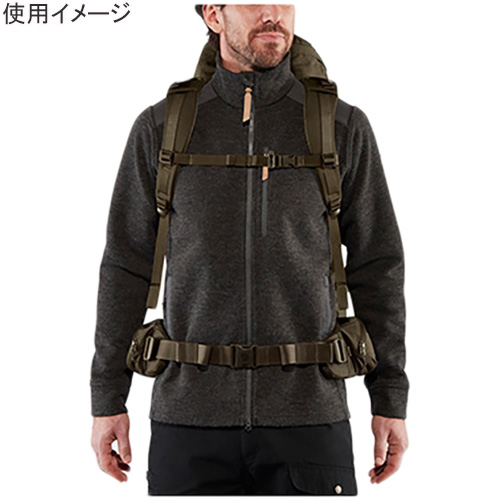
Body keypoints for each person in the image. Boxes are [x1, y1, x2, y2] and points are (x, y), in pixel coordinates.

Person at [90, 4, 410, 495]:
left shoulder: (341, 127)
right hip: (189, 422)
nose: (272, 13)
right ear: (213, 15)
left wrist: (389, 398)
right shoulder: (160, 128)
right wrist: (107, 398)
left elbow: (377, 265)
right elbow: (124, 265)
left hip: (309, 420)